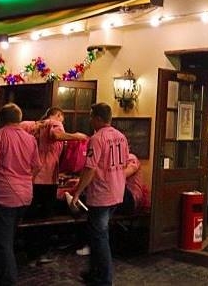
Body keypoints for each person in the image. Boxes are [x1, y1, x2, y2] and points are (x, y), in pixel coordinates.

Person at [71, 103, 129, 286]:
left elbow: (90, 168)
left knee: (99, 237)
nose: (90, 120)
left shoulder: (96, 139)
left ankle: (104, 279)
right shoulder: (121, 137)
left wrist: (77, 193)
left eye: (91, 117)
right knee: (97, 234)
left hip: (102, 194)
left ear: (97, 118)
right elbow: (124, 163)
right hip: (117, 191)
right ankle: (95, 273)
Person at [0, 103, 41, 286]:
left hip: (4, 196)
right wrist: (26, 181)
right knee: (7, 238)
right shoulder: (30, 139)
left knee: (2, 242)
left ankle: (8, 280)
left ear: (1, 118)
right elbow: (37, 166)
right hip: (25, 195)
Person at [30, 107, 88, 218]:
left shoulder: (38, 125)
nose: (62, 122)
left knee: (32, 212)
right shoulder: (55, 122)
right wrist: (77, 136)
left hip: (34, 175)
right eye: (62, 119)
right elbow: (56, 135)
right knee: (47, 213)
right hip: (48, 177)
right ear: (58, 115)